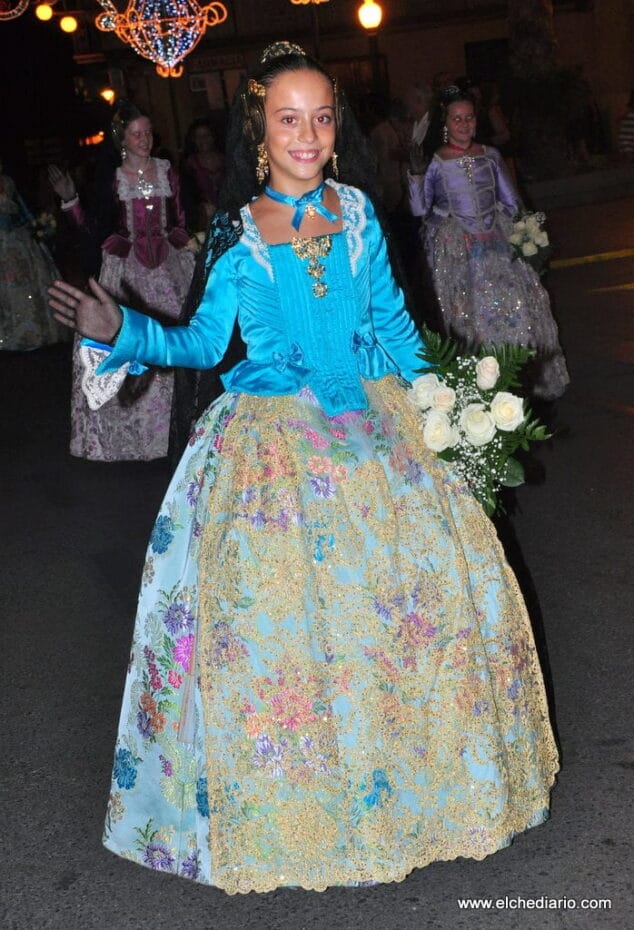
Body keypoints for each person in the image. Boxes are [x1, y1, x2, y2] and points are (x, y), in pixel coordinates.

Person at [49, 42, 559, 894]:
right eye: (289, 119)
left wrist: (454, 410)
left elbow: (395, 327)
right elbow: (203, 344)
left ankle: (426, 785)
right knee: (283, 623)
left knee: (416, 598)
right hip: (275, 438)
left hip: (379, 421)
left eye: (321, 117)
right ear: (261, 132)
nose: (308, 135)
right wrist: (122, 330)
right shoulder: (239, 232)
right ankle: (305, 806)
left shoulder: (356, 212)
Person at [48, 101, 195, 461]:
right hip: (125, 270)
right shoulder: (111, 178)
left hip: (169, 269)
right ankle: (136, 435)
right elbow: (91, 227)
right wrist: (70, 200)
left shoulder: (168, 172)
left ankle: (183, 430)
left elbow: (180, 219)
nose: (144, 139)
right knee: (124, 341)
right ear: (122, 139)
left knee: (177, 341)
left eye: (148, 132)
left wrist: (185, 243)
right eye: (136, 133)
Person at [408, 85, 570, 400]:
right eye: (457, 119)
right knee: (466, 315)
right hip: (457, 248)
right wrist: (415, 175)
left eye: (469, 118)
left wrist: (529, 240)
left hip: (496, 242)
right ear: (446, 123)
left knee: (515, 306)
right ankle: (479, 381)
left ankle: (521, 374)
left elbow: (512, 202)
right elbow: (419, 210)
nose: (464, 124)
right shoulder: (438, 162)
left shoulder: (490, 155)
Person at [0, 158, 68, 351]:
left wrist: (35, 228)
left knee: (23, 288)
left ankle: (29, 333)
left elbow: (21, 209)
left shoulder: (7, 181)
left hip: (15, 240)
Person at [181, 117, 226, 231]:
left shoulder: (226, 160)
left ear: (213, 137)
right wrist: (201, 206)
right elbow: (187, 197)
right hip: (203, 221)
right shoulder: (189, 164)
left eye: (206, 135)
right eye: (198, 137)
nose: (203, 140)